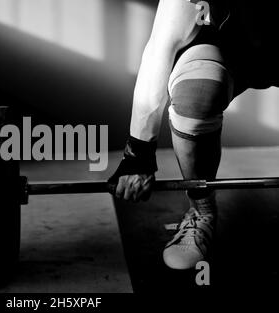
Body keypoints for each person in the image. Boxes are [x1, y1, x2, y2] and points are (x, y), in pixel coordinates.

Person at [108, 0, 279, 270]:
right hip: (228, 46)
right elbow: (161, 47)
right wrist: (138, 155)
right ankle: (202, 209)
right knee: (195, 91)